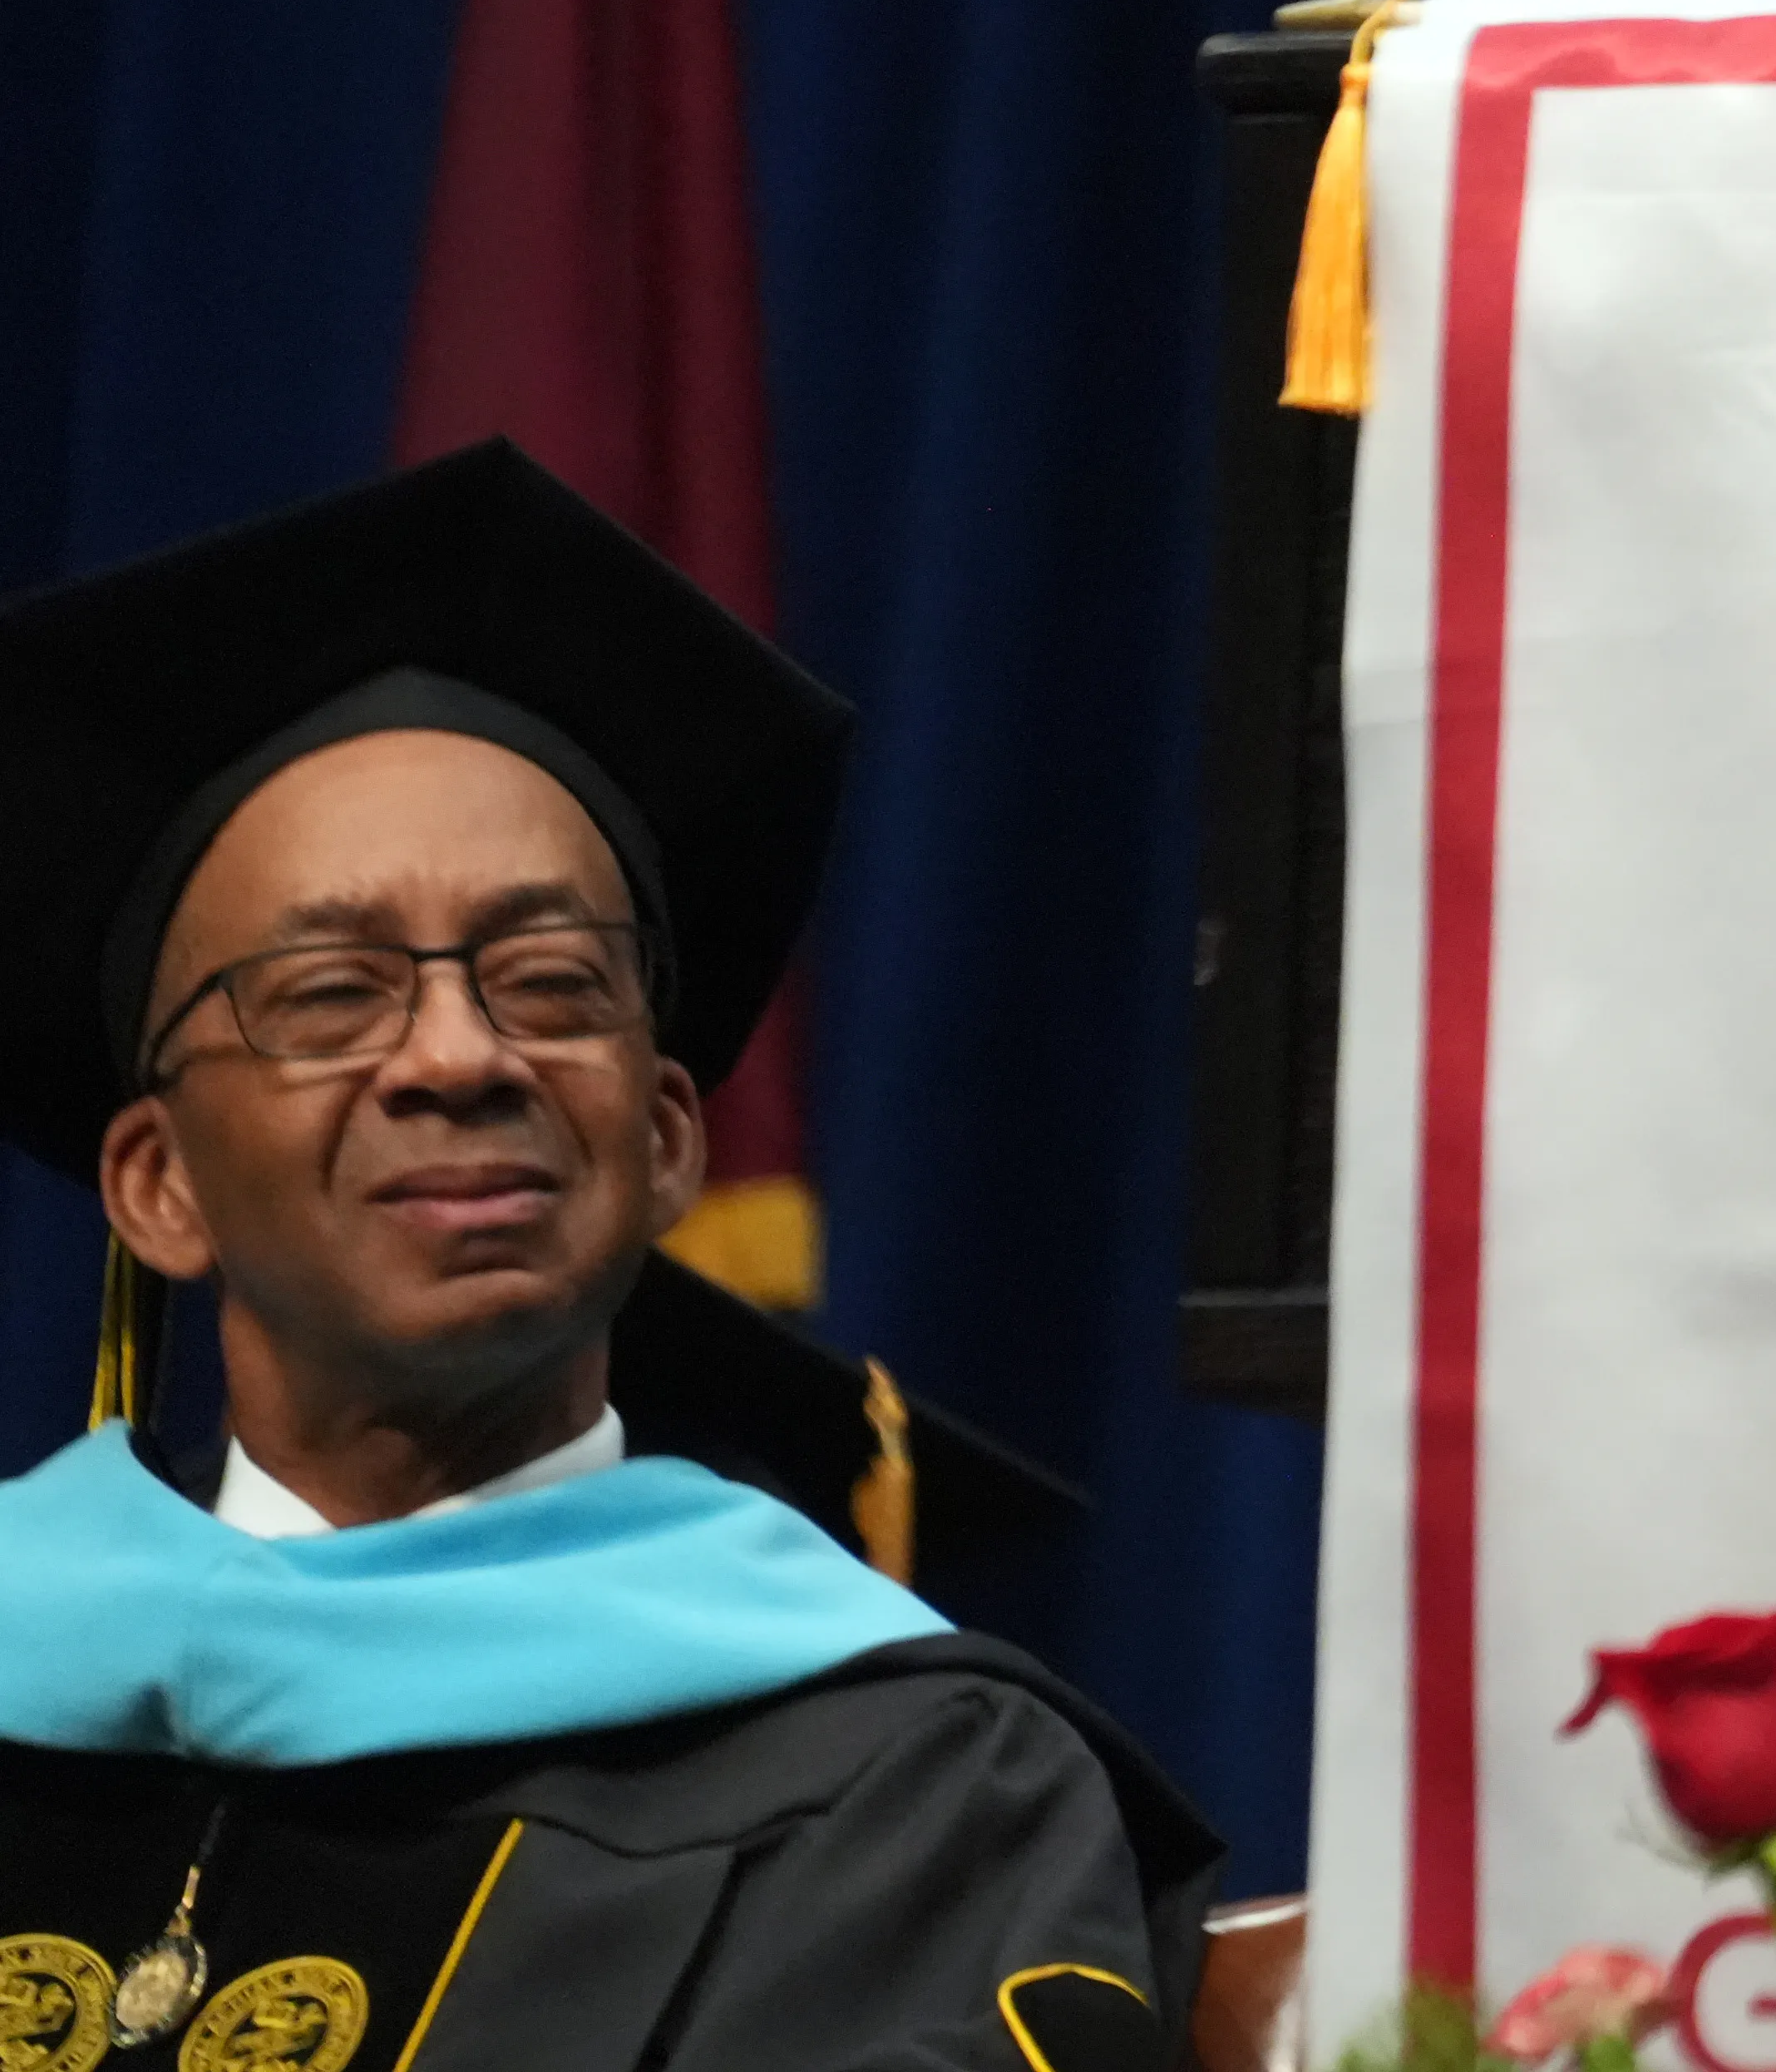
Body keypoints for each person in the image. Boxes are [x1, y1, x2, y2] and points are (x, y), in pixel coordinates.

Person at [0, 442, 1217, 2070]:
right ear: (158, 1186)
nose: (459, 1054)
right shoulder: (28, 1665)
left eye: (551, 982)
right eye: (333, 993)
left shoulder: (907, 1786)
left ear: (664, 1141)